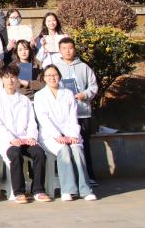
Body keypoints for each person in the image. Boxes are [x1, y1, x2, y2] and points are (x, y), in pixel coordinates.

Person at [34, 65, 97, 202]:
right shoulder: (40, 96)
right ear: (44, 78)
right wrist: (58, 136)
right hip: (50, 136)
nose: (52, 78)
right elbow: (44, 120)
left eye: (55, 75)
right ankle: (68, 190)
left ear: (60, 76)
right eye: (49, 75)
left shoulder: (68, 93)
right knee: (64, 150)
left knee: (77, 149)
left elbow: (73, 118)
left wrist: (73, 136)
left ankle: (85, 190)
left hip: (69, 133)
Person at [0, 63, 50, 204]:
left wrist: (31, 137)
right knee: (15, 154)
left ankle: (38, 190)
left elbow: (31, 122)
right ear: (1, 79)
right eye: (6, 77)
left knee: (39, 153)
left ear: (17, 79)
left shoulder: (25, 100)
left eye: (13, 77)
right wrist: (11, 139)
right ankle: (19, 192)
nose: (10, 80)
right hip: (7, 141)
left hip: (25, 138)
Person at [54, 37, 99, 184]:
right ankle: (68, 178)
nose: (67, 51)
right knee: (64, 147)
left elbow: (93, 86)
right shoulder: (55, 68)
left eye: (70, 48)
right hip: (62, 116)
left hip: (82, 112)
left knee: (83, 146)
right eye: (64, 48)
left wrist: (84, 94)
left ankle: (89, 177)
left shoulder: (84, 67)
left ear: (74, 49)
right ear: (59, 50)